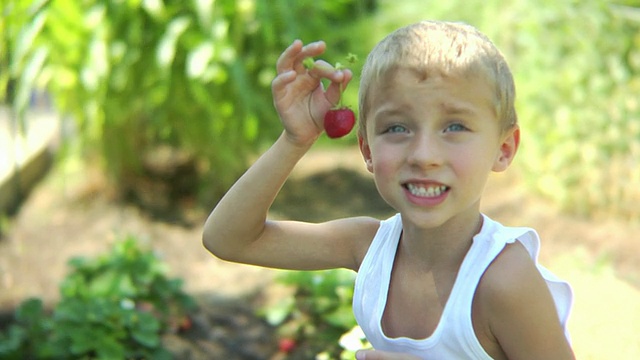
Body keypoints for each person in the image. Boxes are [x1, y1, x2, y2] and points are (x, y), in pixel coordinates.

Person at [203, 20, 574, 360]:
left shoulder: (502, 280)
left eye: (455, 127)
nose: (424, 155)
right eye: (397, 128)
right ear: (367, 149)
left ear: (503, 149)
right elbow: (229, 239)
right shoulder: (367, 246)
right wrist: (295, 139)